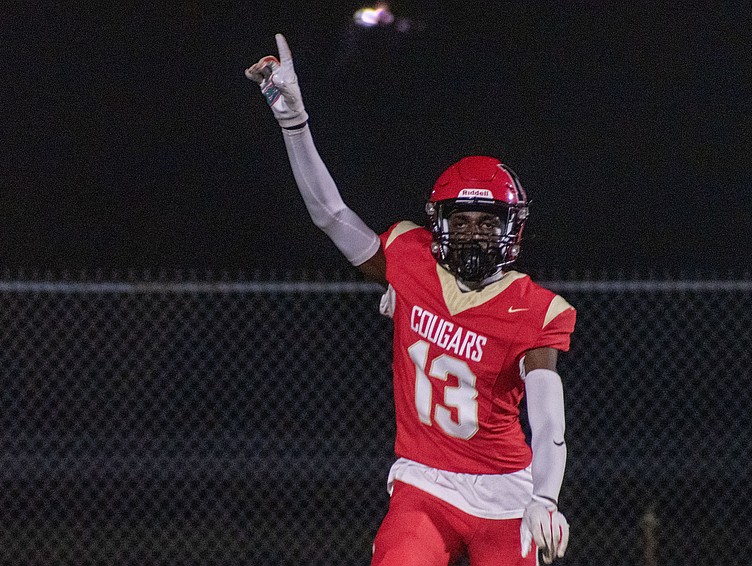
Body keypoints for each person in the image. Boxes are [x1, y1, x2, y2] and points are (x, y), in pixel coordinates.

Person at [245, 34, 575, 566]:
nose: (471, 234)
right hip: (425, 483)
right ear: (438, 224)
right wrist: (294, 124)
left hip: (506, 491)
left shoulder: (535, 308)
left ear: (510, 229)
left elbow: (548, 417)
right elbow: (330, 215)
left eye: (486, 222)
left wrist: (545, 496)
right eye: (460, 221)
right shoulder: (411, 259)